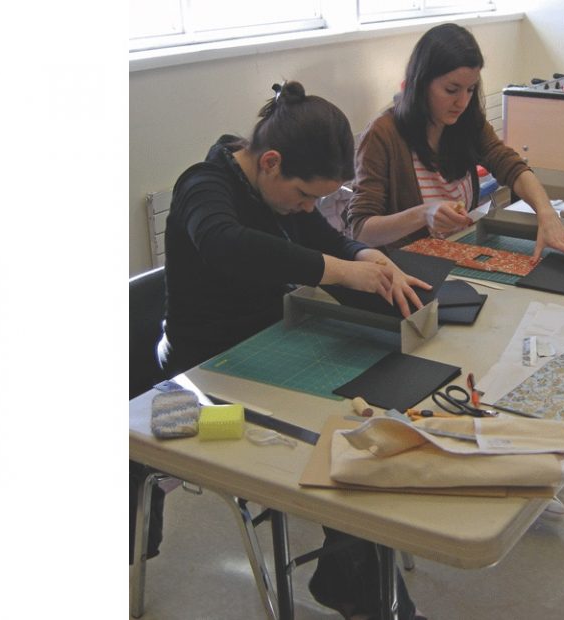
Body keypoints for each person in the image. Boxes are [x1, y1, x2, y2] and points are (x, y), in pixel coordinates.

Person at [139, 81, 428, 620]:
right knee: (339, 451)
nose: (306, 207)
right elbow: (229, 245)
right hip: (202, 370)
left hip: (270, 346)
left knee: (362, 433)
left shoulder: (281, 190)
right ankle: (363, 594)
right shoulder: (204, 187)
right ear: (269, 162)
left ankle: (350, 579)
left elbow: (323, 238)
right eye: (303, 194)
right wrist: (342, 271)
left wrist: (367, 254)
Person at [346, 22, 564, 265]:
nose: (462, 102)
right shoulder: (383, 134)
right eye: (452, 89)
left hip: (457, 254)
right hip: (405, 269)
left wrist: (547, 214)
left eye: (470, 89)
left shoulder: (467, 121)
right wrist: (424, 213)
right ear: (421, 83)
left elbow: (511, 165)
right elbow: (361, 229)